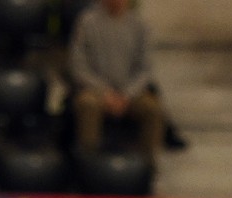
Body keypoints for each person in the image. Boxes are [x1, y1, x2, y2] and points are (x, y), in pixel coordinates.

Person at [67, 0, 165, 157]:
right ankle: (88, 162)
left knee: (152, 109)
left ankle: (147, 165)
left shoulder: (140, 25)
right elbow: (78, 65)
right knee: (87, 104)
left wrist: (127, 95)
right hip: (96, 91)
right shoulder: (87, 22)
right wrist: (105, 93)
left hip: (130, 93)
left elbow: (146, 69)